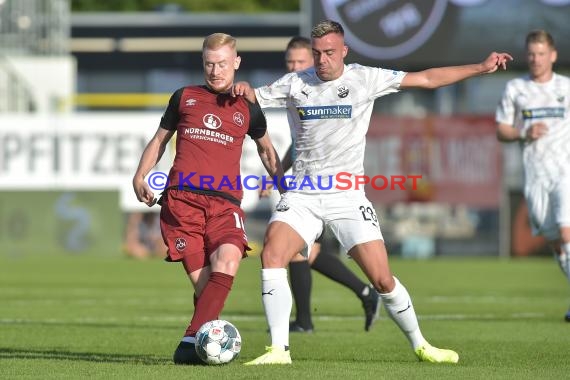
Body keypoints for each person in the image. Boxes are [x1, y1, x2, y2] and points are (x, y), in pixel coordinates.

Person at [232, 20, 512, 365]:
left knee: (382, 279)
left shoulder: (365, 78)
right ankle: (278, 350)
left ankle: (422, 345)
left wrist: (480, 68)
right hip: (304, 193)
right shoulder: (295, 83)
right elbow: (248, 97)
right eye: (317, 54)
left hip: (348, 195)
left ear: (344, 52)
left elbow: (426, 79)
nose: (322, 60)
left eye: (330, 53)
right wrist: (241, 86)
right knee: (272, 255)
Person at [132, 32, 284, 365]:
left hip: (225, 204)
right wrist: (140, 174)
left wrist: (286, 190)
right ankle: (202, 340)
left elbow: (268, 152)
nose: (215, 71)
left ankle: (189, 343)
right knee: (206, 290)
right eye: (209, 63)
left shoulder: (248, 107)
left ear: (236, 63)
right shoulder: (183, 97)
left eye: (223, 64)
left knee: (227, 264)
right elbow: (159, 140)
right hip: (181, 204)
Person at [262, 36, 380, 333]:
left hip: (336, 186)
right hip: (306, 186)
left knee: (300, 251)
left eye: (301, 62)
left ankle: (313, 316)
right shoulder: (295, 87)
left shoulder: (329, 85)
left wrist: (278, 173)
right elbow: (299, 145)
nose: (295, 67)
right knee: (300, 251)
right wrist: (276, 174)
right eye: (290, 62)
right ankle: (354, 298)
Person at [495, 29, 570, 322]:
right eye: (531, 54)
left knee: (566, 233)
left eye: (541, 54)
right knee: (555, 242)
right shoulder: (516, 88)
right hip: (536, 175)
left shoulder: (566, 87)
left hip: (565, 171)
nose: (536, 59)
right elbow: (501, 130)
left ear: (552, 55)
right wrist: (524, 132)